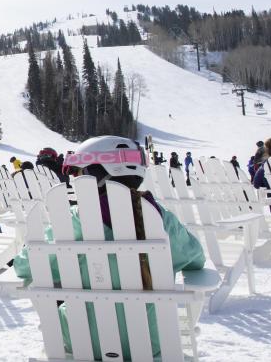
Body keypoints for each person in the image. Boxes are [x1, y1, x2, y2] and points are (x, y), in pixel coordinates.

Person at [14, 136, 205, 359]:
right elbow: (195, 258)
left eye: (78, 172)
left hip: (81, 342)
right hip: (153, 342)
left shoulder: (72, 222)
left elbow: (26, 266)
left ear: (97, 175)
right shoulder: (160, 219)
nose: (74, 179)